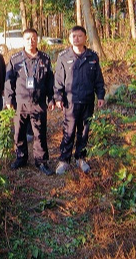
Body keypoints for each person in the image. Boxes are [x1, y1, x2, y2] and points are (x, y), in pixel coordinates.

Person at [53, 26, 106, 175]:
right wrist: (58, 97)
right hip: (71, 102)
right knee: (68, 131)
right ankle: (64, 160)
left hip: (87, 100)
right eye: (73, 36)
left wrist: (100, 95)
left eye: (79, 36)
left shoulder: (92, 57)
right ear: (69, 38)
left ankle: (81, 158)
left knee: (84, 132)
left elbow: (98, 79)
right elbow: (58, 80)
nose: (76, 39)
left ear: (85, 38)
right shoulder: (63, 57)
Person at [4, 28, 55, 176]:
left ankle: (41, 161)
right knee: (19, 132)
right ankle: (21, 157)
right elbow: (9, 82)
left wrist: (51, 99)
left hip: (38, 102)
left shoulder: (45, 59)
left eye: (33, 38)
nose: (31, 41)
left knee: (39, 133)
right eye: (27, 38)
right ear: (23, 40)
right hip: (21, 102)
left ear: (37, 39)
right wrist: (9, 99)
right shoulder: (15, 59)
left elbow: (50, 81)